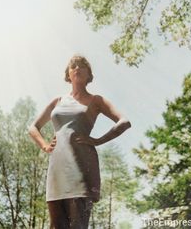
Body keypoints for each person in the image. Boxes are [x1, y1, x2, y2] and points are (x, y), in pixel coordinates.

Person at [28, 55, 131, 229]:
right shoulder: (57, 101)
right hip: (56, 170)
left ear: (89, 74)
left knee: (77, 224)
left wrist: (98, 140)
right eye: (73, 66)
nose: (77, 68)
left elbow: (124, 122)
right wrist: (45, 145)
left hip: (81, 168)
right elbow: (33, 127)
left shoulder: (96, 100)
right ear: (68, 74)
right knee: (56, 225)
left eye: (82, 66)